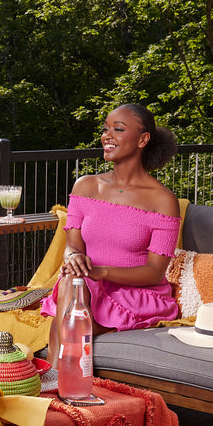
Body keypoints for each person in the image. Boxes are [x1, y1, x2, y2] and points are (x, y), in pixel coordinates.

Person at [40, 103, 181, 367]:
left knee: (70, 308)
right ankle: (66, 383)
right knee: (72, 281)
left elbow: (154, 272)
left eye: (118, 129)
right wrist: (74, 259)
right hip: (87, 287)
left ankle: (55, 380)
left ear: (143, 139)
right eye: (106, 129)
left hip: (135, 293)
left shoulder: (163, 200)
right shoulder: (85, 186)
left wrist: (102, 272)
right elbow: (72, 246)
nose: (107, 135)